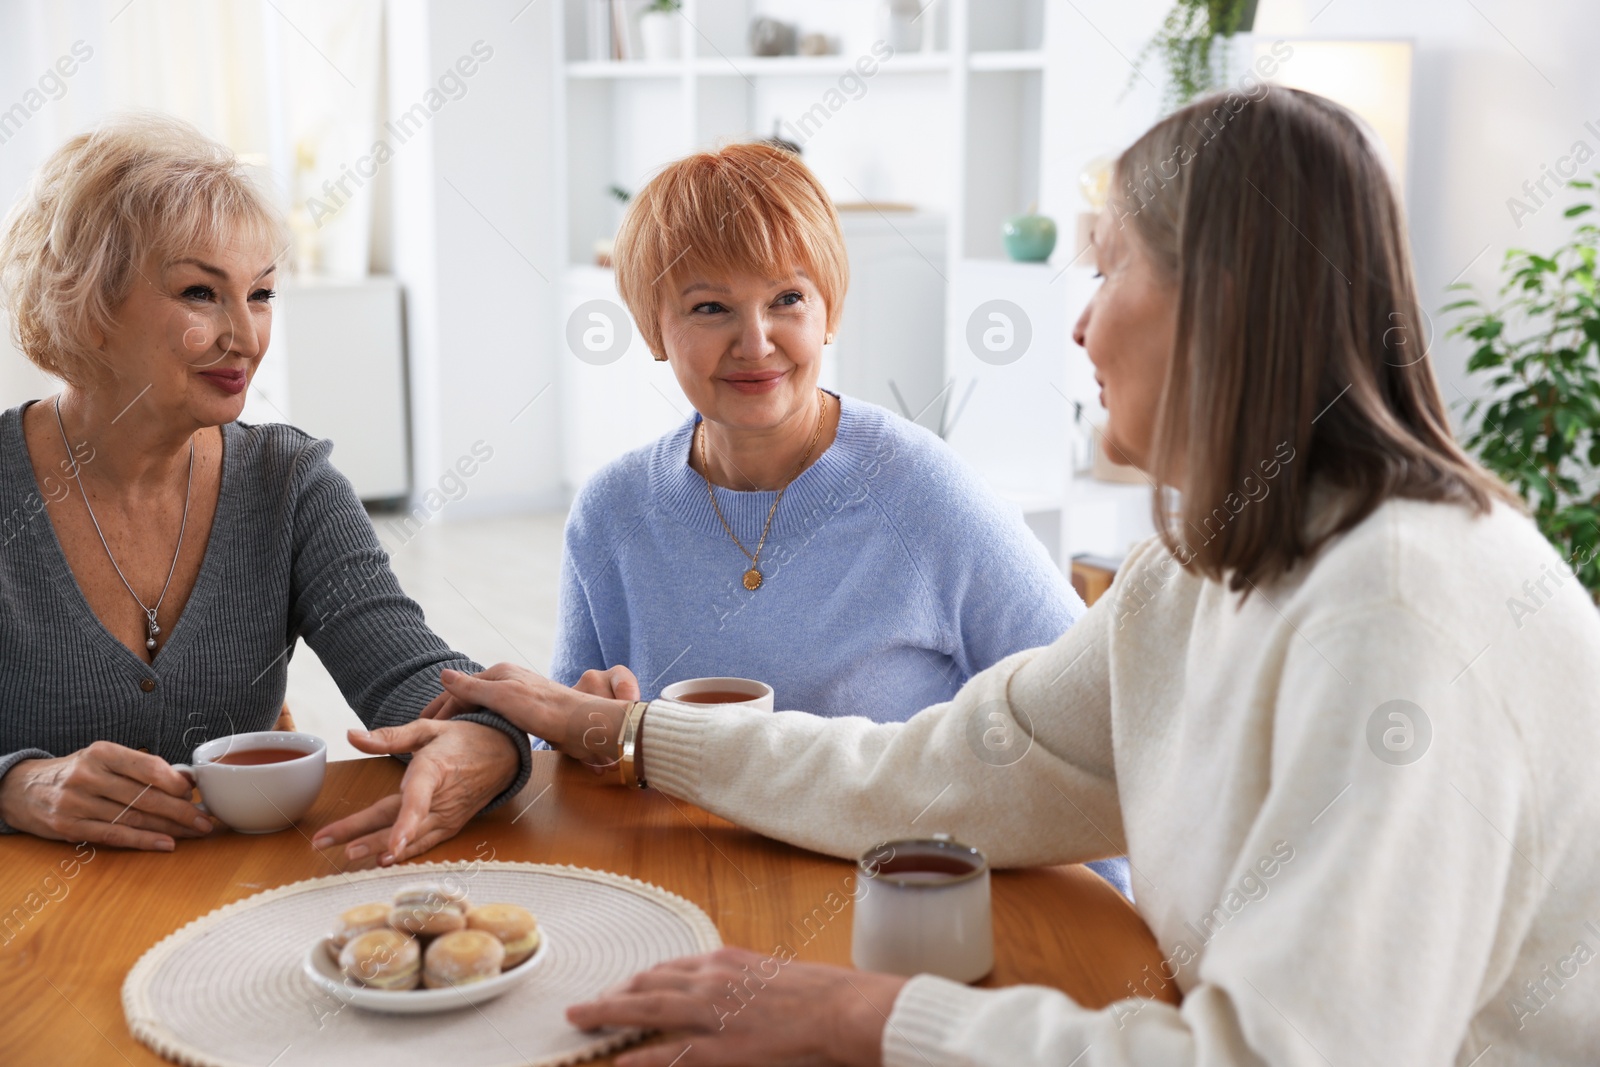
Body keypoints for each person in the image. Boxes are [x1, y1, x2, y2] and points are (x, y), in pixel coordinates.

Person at [415, 87, 1600, 1066]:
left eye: (1107, 270)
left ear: (1220, 298)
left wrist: (862, 1015)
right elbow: (927, 768)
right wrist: (627, 731)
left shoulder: (1397, 605)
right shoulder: (1200, 570)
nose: (1077, 326)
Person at [554, 141, 1126, 893]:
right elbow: (564, 749)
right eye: (709, 306)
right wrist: (587, 730)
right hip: (684, 895)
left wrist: (1107, 934)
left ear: (830, 312)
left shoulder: (926, 495)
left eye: (787, 299)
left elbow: (1088, 739)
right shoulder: (611, 513)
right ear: (652, 327)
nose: (755, 341)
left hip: (894, 910)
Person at [0, 114, 530, 865]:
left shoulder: (290, 484)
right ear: (87, 304)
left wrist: (485, 741)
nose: (245, 337)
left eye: (261, 295)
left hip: (225, 922)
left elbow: (424, 682)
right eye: (199, 293)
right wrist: (18, 784)